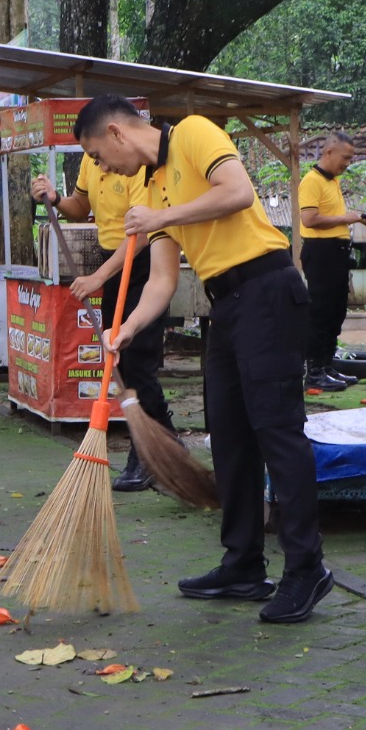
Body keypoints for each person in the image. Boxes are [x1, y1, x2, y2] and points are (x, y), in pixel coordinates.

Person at [79, 98, 331, 622]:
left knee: (277, 431)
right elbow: (162, 280)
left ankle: (306, 568)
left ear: (116, 132)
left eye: (97, 155)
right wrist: (126, 328)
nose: (101, 168)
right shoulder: (150, 186)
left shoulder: (194, 133)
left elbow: (237, 193)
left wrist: (160, 217)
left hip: (268, 289)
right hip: (227, 307)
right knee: (230, 435)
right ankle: (243, 564)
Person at [31, 149, 168, 492]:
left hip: (142, 263)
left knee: (138, 361)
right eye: (92, 154)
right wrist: (56, 198)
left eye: (98, 152)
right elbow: (80, 205)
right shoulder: (92, 162)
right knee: (119, 358)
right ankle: (166, 443)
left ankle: (147, 454)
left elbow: (140, 236)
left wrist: (97, 277)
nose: (99, 161)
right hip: (113, 264)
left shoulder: (137, 168)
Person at [296, 133, 361, 393]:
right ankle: (314, 372)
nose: (347, 163)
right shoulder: (311, 181)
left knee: (336, 313)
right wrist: (347, 218)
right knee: (321, 313)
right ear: (329, 152)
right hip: (321, 252)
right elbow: (309, 219)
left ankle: (327, 365)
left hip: (337, 253)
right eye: (345, 157)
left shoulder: (331, 181)